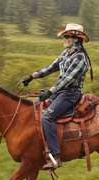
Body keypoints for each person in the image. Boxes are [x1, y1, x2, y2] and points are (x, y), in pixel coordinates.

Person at [21, 23, 92, 170]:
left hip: (71, 94)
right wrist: (32, 76)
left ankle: (56, 156)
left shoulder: (80, 58)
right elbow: (51, 67)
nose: (64, 39)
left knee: (47, 117)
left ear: (76, 39)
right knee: (35, 108)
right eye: (65, 36)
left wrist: (50, 92)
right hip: (60, 92)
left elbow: (67, 79)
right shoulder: (66, 53)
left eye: (67, 37)